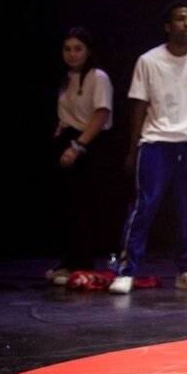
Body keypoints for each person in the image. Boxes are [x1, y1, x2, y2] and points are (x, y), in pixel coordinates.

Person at [110, 3, 187, 295]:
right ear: (168, 26)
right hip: (156, 142)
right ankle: (127, 269)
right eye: (180, 19)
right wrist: (134, 147)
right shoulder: (149, 61)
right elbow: (139, 106)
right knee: (145, 205)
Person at [47, 27, 115, 285]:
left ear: (87, 51)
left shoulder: (98, 77)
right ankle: (70, 259)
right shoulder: (67, 78)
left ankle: (83, 262)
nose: (72, 54)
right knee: (67, 205)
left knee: (84, 205)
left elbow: (101, 114)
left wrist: (77, 146)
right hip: (68, 137)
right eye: (67, 49)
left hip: (89, 143)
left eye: (78, 49)